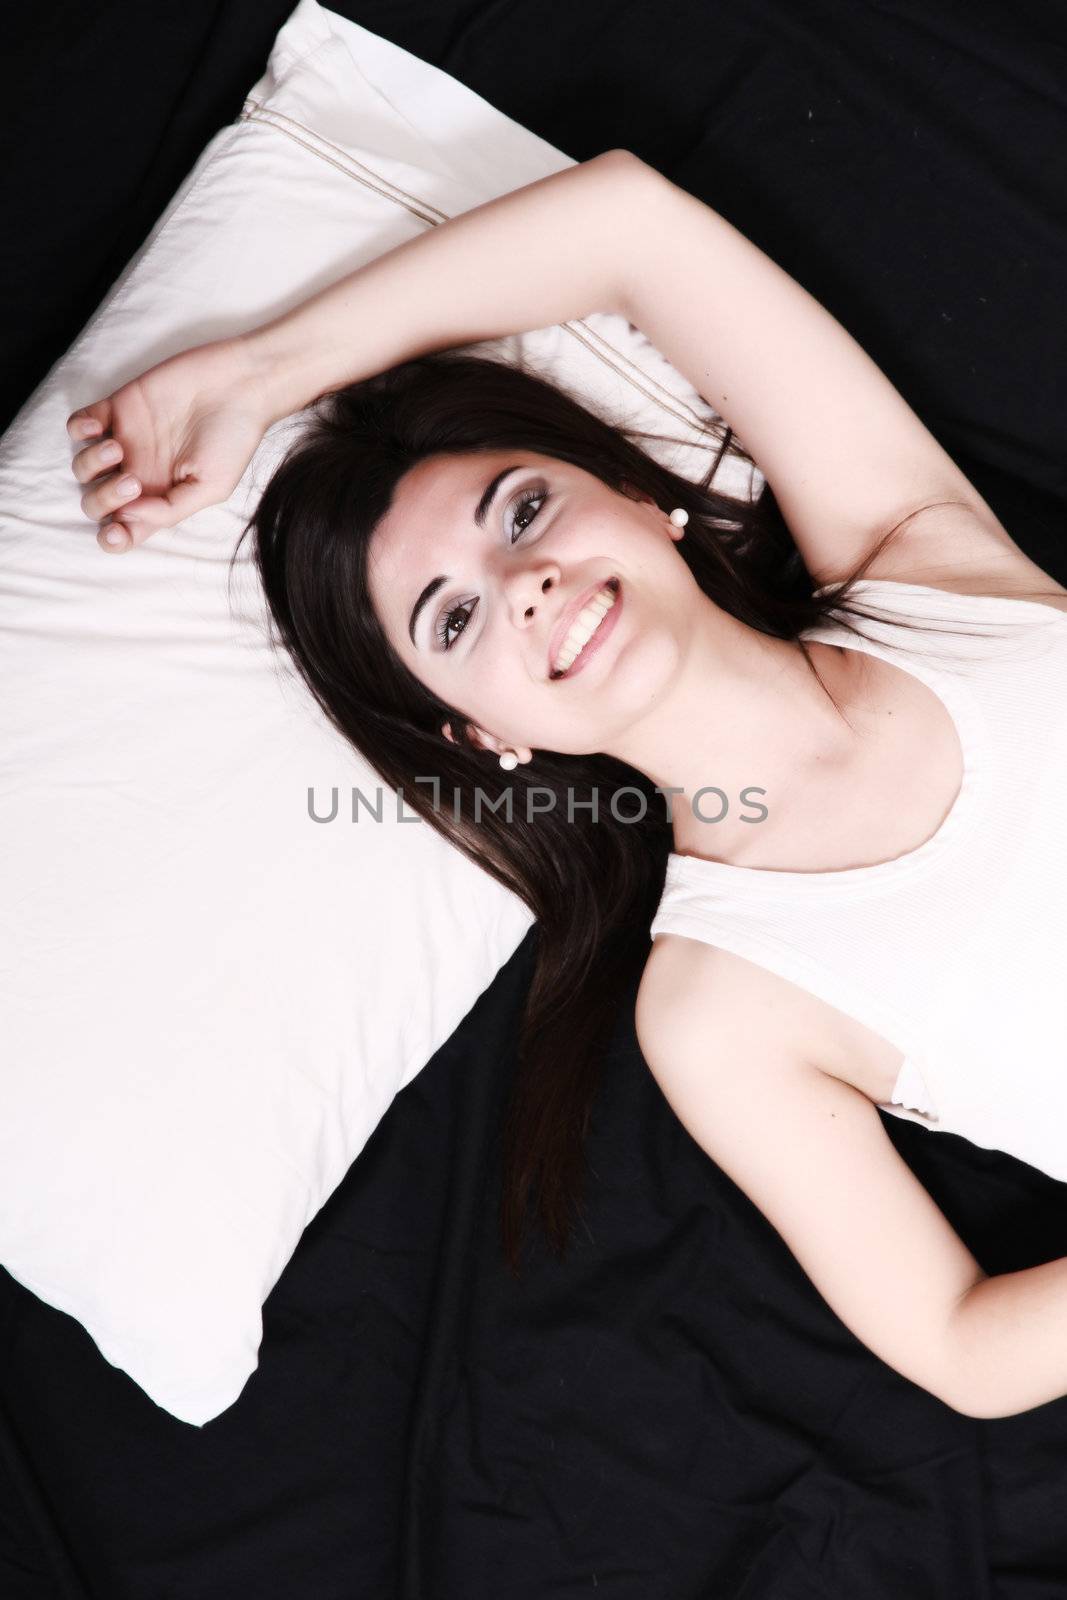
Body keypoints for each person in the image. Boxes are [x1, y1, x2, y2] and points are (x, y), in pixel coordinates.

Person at [65, 150, 1067, 1420]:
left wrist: (264, 372)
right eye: (452, 620)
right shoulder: (721, 1004)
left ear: (645, 498)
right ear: (485, 734)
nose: (522, 584)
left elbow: (633, 227)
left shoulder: (918, 551)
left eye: (523, 511)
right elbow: (957, 1342)